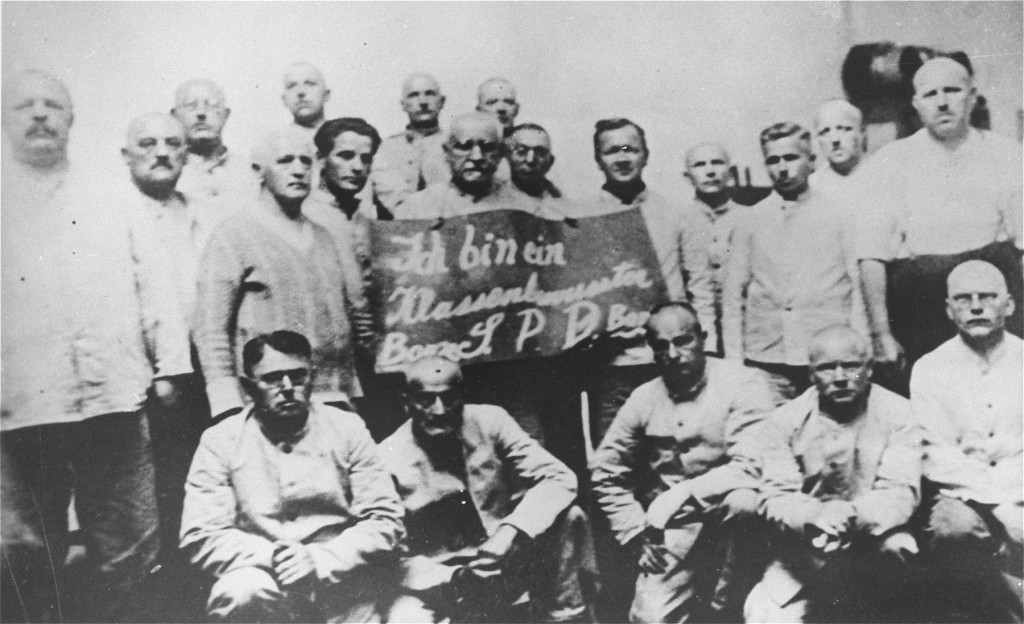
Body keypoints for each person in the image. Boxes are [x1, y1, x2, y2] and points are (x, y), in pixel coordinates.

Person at [1, 70, 192, 622]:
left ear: (71, 119)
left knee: (129, 539)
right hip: (20, 405)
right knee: (22, 547)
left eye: (53, 105)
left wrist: (170, 368)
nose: (40, 114)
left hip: (114, 397)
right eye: (25, 106)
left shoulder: (112, 193)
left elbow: (153, 280)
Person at [180, 331, 406, 623]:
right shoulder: (221, 440)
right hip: (263, 579)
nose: (287, 388)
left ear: (313, 377)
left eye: (298, 376)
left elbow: (385, 520)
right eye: (273, 379)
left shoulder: (346, 428)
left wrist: (321, 559)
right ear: (248, 387)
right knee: (240, 590)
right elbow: (200, 534)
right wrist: (275, 557)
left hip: (340, 577)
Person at [591, 302, 775, 623]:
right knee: (649, 617)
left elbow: (752, 465)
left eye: (683, 341)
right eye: (662, 347)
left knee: (744, 501)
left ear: (702, 338)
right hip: (677, 526)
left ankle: (723, 611)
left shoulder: (743, 382)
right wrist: (636, 531)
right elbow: (605, 472)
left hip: (735, 520)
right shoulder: (644, 397)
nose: (674, 354)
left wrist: (681, 493)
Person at [379, 356, 596, 623]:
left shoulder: (490, 421)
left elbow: (560, 478)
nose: (439, 410)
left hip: (505, 557)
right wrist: (454, 577)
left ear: (463, 397)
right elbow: (391, 556)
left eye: (449, 398)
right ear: (407, 402)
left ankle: (566, 617)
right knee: (403, 618)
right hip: (441, 579)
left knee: (570, 516)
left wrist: (511, 531)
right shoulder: (387, 458)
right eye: (425, 400)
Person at [857, 57, 1023, 385]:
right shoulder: (892, 161)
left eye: (952, 90)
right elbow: (871, 255)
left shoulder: (1007, 154)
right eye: (931, 94)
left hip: (993, 298)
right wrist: (881, 334)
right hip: (922, 306)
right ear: (916, 104)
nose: (943, 102)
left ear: (972, 97)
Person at [743, 325, 922, 623]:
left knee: (899, 557)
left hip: (875, 542)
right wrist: (814, 516)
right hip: (805, 550)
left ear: (869, 369)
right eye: (827, 368)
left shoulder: (901, 414)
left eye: (850, 366)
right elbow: (776, 495)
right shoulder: (782, 421)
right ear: (811, 374)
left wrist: (850, 514)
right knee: (764, 614)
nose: (840, 377)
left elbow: (901, 491)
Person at [193, 127, 360, 420]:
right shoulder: (232, 235)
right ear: (258, 170)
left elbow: (339, 323)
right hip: (269, 405)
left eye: (305, 161)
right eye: (285, 161)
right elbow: (210, 328)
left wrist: (351, 391)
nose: (298, 170)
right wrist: (227, 404)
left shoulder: (324, 236)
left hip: (332, 398)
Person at [119, 112, 220, 574]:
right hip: (142, 375)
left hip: (200, 370)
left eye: (173, 143)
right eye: (148, 143)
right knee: (149, 488)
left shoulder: (201, 213)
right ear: (126, 155)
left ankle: (200, 575)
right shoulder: (113, 216)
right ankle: (165, 583)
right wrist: (160, 371)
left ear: (186, 153)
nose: (162, 152)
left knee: (200, 474)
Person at [587, 118, 718, 441]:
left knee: (672, 451)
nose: (622, 158)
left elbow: (700, 285)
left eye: (630, 149)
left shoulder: (676, 213)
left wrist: (706, 350)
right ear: (598, 159)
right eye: (611, 151)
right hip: (611, 368)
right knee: (612, 453)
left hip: (668, 361)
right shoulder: (581, 218)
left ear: (645, 155)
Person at [910, 260, 1023, 621]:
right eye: (963, 299)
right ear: (949, 310)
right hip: (963, 493)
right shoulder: (929, 369)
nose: (975, 307)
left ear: (1009, 304)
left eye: (987, 297)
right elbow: (937, 455)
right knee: (953, 529)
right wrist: (1004, 510)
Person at [723, 122, 867, 405]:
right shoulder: (749, 220)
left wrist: (861, 348)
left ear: (811, 161)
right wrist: (734, 362)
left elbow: (857, 286)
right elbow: (733, 296)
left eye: (791, 158)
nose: (783, 168)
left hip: (826, 358)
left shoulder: (839, 215)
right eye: (773, 160)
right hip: (766, 357)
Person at [304, 117, 400, 439]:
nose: (357, 167)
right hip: (327, 358)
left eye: (365, 158)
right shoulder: (303, 216)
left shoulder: (371, 216)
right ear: (321, 160)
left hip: (373, 358)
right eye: (345, 156)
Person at [391, 111, 543, 220]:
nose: (477, 157)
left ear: (501, 153)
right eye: (464, 147)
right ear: (447, 152)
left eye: (487, 147)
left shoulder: (526, 209)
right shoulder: (416, 209)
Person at [679, 141, 745, 354]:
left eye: (717, 163)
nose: (710, 171)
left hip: (744, 330)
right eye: (699, 165)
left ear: (730, 171)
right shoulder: (678, 221)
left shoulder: (750, 218)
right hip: (697, 332)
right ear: (687, 176)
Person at [171, 78, 254, 212]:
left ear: (226, 114)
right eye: (190, 105)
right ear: (174, 115)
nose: (201, 113)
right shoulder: (167, 174)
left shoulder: (248, 171)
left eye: (212, 105)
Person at [371, 72, 450, 212]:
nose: (423, 101)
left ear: (442, 101)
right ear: (403, 105)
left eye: (430, 94)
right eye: (414, 95)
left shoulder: (455, 145)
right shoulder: (388, 148)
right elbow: (390, 196)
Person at [506, 122, 577, 220]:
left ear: (550, 161)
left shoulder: (565, 207)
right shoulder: (496, 201)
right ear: (507, 156)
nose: (530, 160)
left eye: (540, 153)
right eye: (521, 151)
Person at [808, 99, 866, 197]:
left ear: (861, 133)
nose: (835, 140)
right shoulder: (814, 185)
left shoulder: (881, 172)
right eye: (824, 132)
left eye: (844, 129)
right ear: (817, 140)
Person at [281, 62, 330, 136]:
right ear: (284, 100)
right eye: (291, 86)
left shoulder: (344, 136)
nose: (300, 92)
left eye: (310, 83)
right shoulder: (273, 141)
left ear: (326, 94)